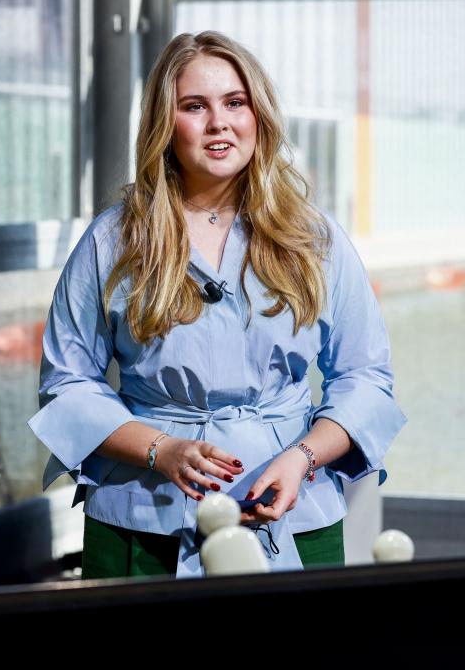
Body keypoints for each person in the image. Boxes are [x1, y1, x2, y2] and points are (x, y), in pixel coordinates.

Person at [29, 31, 405, 578]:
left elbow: (366, 377)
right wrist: (162, 449)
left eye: (235, 102)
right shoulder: (113, 240)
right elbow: (67, 383)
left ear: (259, 116)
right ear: (165, 123)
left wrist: (302, 459)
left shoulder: (315, 238)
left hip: (291, 510)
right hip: (142, 514)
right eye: (194, 106)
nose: (219, 122)